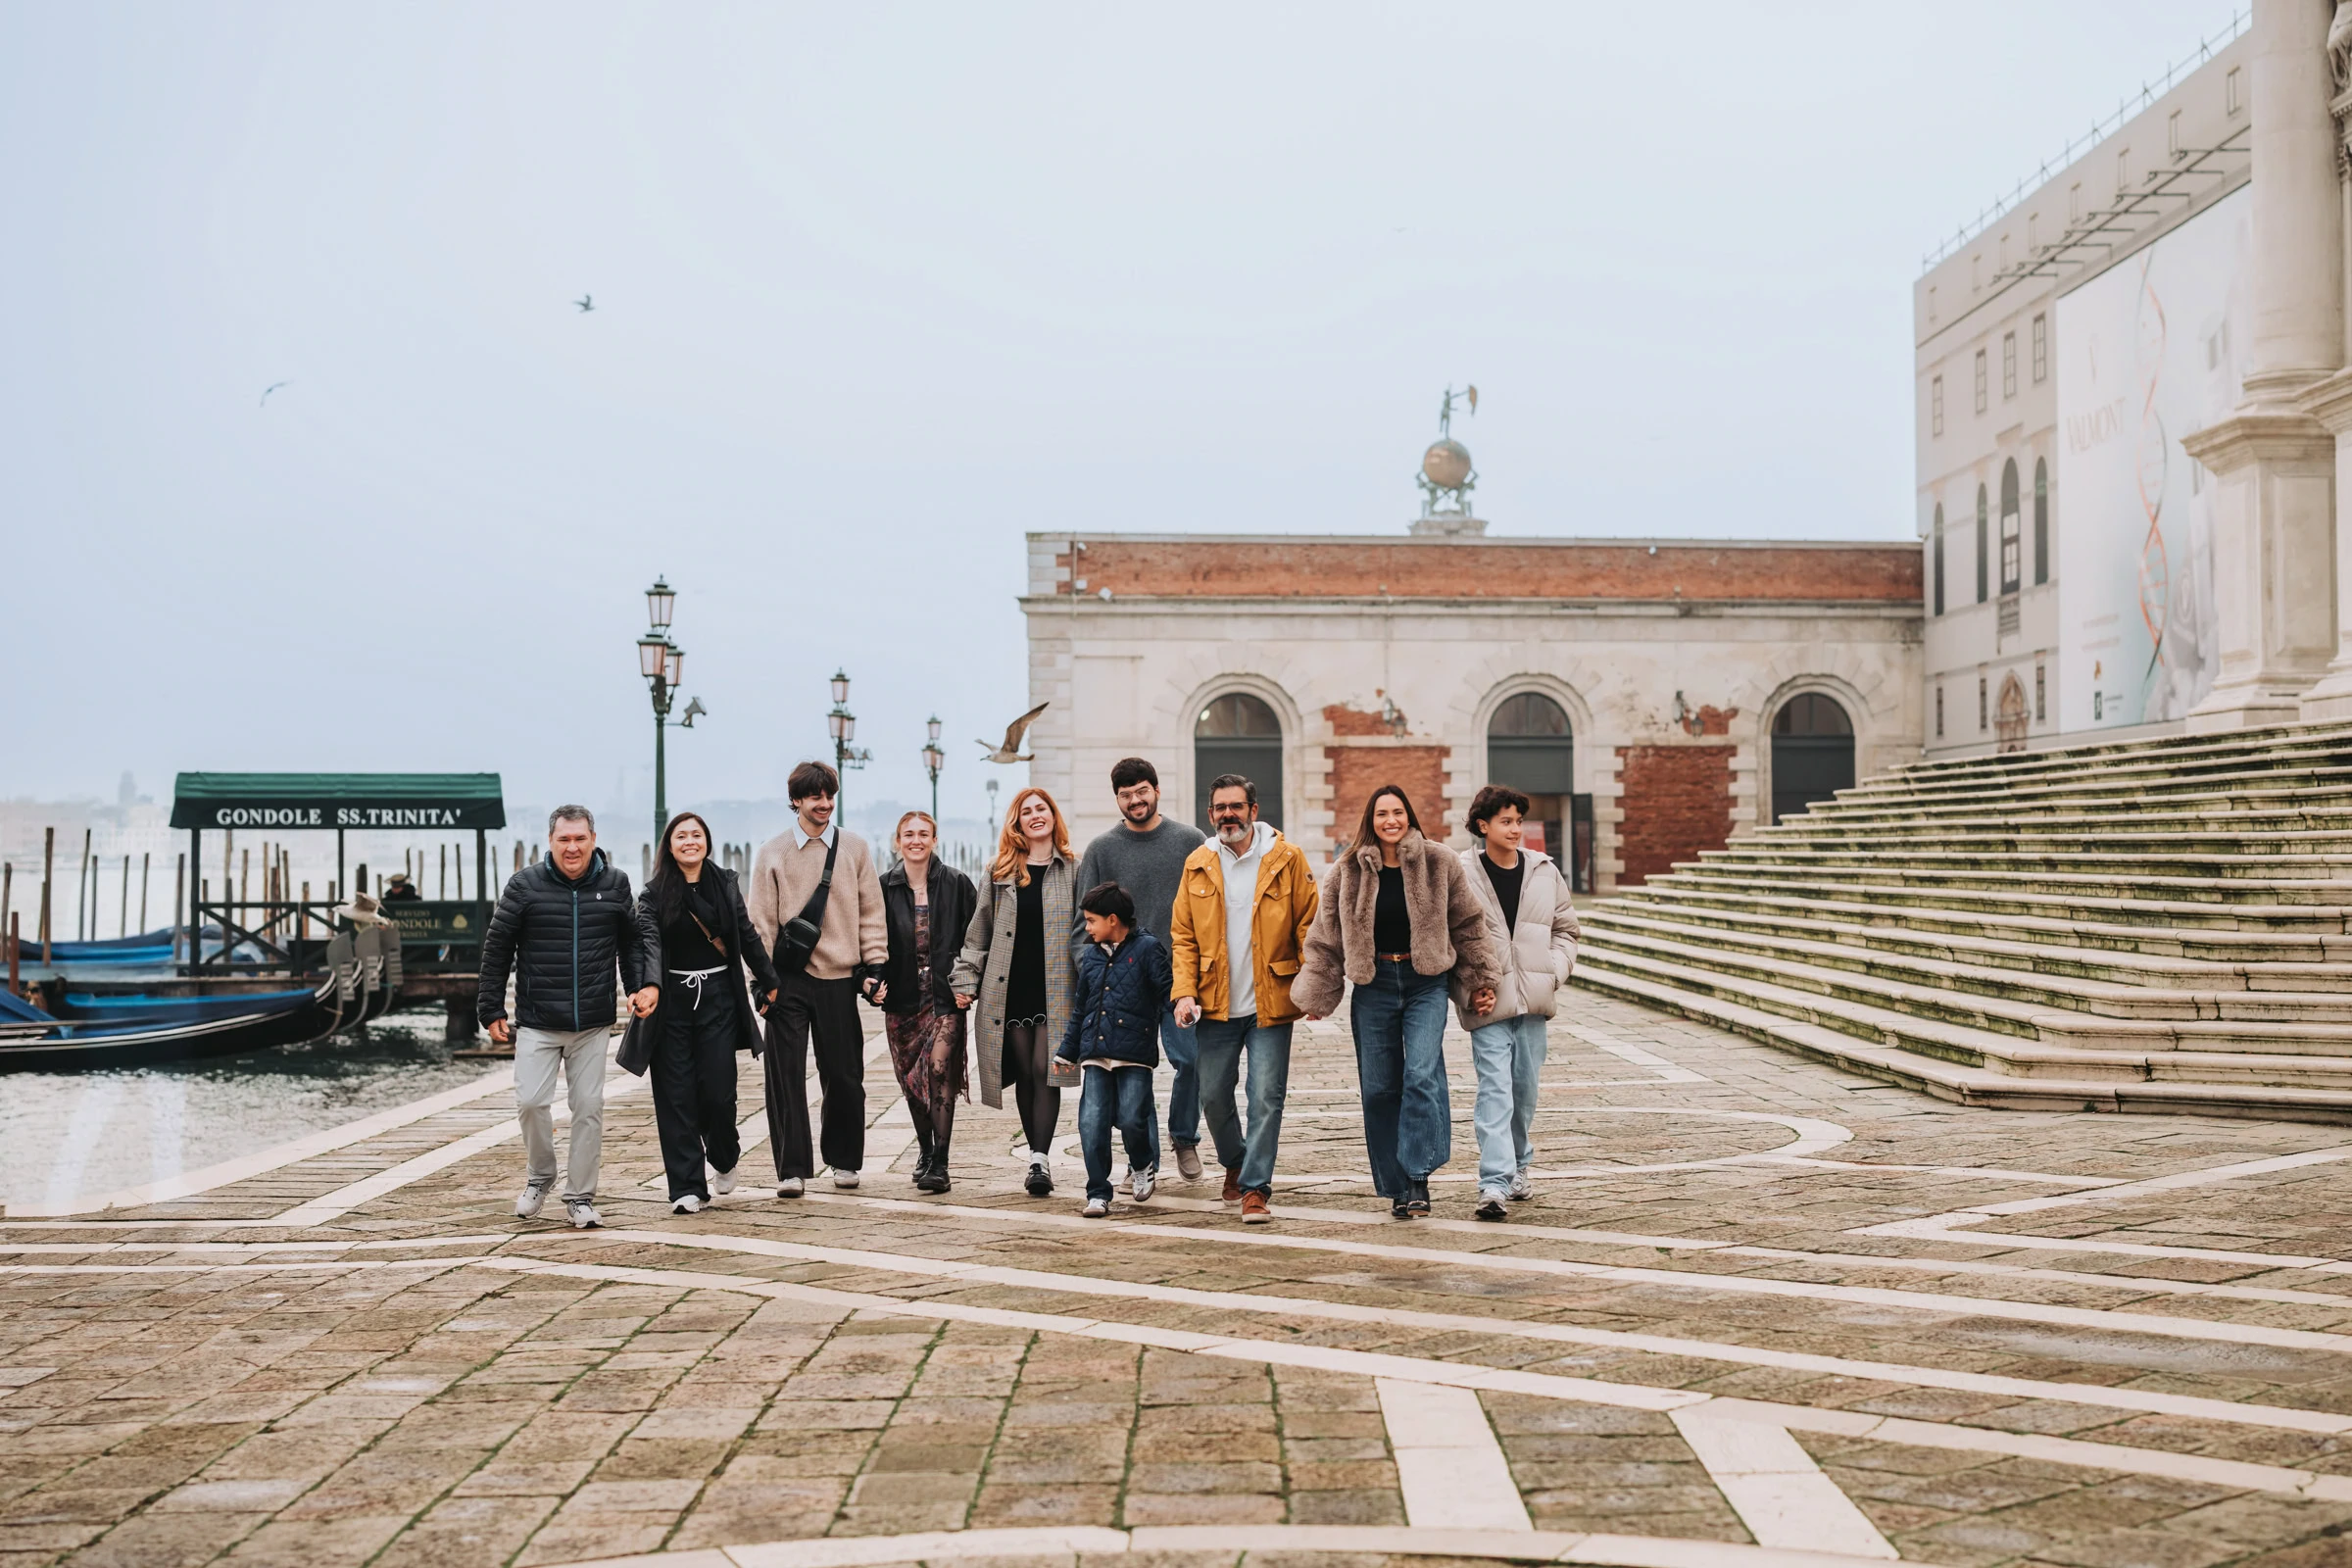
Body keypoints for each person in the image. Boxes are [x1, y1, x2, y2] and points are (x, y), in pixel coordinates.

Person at [1294, 784, 1500, 1220]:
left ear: (1410, 816)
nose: (1391, 821)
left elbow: (1467, 922)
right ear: (1370, 820)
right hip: (1374, 986)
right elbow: (1325, 935)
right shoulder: (1347, 869)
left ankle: (1418, 1177)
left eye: (1398, 812)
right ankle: (1395, 1185)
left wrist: (1480, 979)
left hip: (1426, 981)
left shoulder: (1439, 861)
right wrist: (1318, 992)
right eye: (1382, 814)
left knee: (1422, 1074)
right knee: (1379, 1088)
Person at [476, 805, 660, 1230]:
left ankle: (579, 1196)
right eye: (564, 839)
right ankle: (541, 1176)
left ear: (593, 840)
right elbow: (497, 948)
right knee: (531, 1103)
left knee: (589, 1107)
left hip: (593, 1022)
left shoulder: (615, 885)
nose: (572, 847)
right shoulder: (524, 886)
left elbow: (630, 944)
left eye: (580, 839)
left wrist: (637, 987)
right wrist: (490, 1008)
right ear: (551, 842)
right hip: (538, 1021)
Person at [1167, 773, 1319, 1225]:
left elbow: (1309, 925)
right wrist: (1184, 992)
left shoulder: (1287, 858)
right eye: (1220, 808)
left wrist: (1313, 985)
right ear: (1210, 814)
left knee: (1265, 1096)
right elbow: (1183, 937)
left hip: (1272, 999)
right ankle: (1234, 1158)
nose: (1228, 814)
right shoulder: (1197, 861)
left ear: (1254, 810)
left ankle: (1255, 1188)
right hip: (1214, 1005)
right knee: (1212, 1095)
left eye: (1236, 806)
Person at [619, 811, 781, 1215]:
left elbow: (745, 934)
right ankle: (686, 1187)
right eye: (681, 836)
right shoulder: (655, 892)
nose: (689, 841)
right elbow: (649, 943)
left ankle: (725, 1156)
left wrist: (769, 978)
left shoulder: (724, 883)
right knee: (675, 1096)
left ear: (706, 840)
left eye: (696, 834)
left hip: (719, 1000)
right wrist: (650, 986)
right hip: (671, 1003)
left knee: (718, 1092)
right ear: (669, 846)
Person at [747, 761, 888, 1198]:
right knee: (784, 1076)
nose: (824, 804)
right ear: (796, 801)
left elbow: (871, 912)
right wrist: (761, 981)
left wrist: (875, 965)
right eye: (814, 797)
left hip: (841, 978)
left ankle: (844, 1160)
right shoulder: (772, 853)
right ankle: (792, 1170)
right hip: (786, 981)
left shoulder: (855, 848)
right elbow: (761, 924)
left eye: (829, 796)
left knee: (845, 1076)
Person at [1075, 759, 1208, 1181]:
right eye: (1126, 795)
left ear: (1156, 791)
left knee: (1191, 1061)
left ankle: (1184, 1137)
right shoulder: (1101, 849)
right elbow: (1083, 925)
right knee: (1135, 1072)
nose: (1135, 801)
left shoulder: (1191, 840)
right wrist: (1095, 971)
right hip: (1123, 985)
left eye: (1142, 792)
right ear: (1117, 798)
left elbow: (1210, 909)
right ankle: (1144, 1157)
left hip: (1178, 977)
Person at [1455, 785, 1580, 1222]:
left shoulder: (1544, 870)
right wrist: (1469, 986)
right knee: (1494, 1089)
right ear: (1482, 825)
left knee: (1523, 1090)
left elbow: (1566, 929)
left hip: (1534, 1003)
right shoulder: (1461, 871)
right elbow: (1451, 938)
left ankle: (1520, 1164)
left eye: (1518, 821)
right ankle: (1493, 1182)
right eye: (1505, 821)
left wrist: (1554, 969)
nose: (1515, 829)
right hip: (1487, 1003)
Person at [951, 786, 1079, 1197]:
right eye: (1027, 811)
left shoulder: (1074, 868)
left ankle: (1039, 1156)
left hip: (1057, 988)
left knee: (1050, 1069)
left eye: (1042, 808)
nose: (1036, 816)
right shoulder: (999, 871)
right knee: (1025, 1071)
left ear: (1053, 816)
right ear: (1017, 822)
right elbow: (978, 933)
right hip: (1010, 987)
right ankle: (1037, 1161)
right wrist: (966, 981)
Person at [1056, 881, 1171, 1218]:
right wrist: (1067, 1050)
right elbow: (1082, 1009)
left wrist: (1183, 1008)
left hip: (1134, 1053)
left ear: (1112, 919)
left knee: (1133, 1118)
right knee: (1091, 1122)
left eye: (1091, 921)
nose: (1087, 928)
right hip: (1095, 1053)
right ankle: (1097, 1192)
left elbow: (1167, 990)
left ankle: (1141, 1164)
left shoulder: (1149, 948)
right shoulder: (1090, 956)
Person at [878, 810, 978, 1193]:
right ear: (897, 841)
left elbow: (975, 940)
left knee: (939, 1071)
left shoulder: (956, 884)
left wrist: (970, 984)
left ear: (935, 840)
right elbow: (868, 940)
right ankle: (924, 1148)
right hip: (902, 1002)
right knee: (911, 1082)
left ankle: (941, 1159)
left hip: (945, 997)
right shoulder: (883, 887)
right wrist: (870, 981)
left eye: (924, 834)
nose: (916, 840)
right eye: (908, 834)